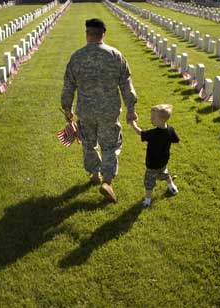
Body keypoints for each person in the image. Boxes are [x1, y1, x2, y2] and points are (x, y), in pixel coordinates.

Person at [61, 18, 138, 203]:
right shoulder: (115, 55)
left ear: (87, 34)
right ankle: (108, 181)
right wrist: (131, 109)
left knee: (88, 144)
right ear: (103, 34)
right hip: (108, 111)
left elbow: (68, 86)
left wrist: (67, 108)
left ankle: (94, 174)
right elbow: (126, 84)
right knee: (110, 146)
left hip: (85, 111)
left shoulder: (76, 57)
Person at [131, 104, 179, 207]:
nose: (150, 119)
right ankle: (172, 186)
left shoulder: (153, 133)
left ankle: (147, 201)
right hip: (164, 161)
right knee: (164, 173)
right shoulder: (170, 130)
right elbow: (176, 140)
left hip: (152, 164)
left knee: (149, 181)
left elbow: (140, 133)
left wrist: (133, 124)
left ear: (161, 120)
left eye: (153, 118)